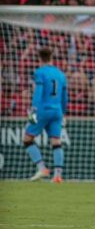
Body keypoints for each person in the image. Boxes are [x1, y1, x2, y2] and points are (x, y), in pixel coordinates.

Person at [22, 47, 68, 183]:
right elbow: (65, 96)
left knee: (27, 139)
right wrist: (63, 113)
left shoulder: (39, 72)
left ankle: (42, 168)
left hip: (42, 110)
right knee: (56, 142)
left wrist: (33, 110)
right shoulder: (61, 74)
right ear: (52, 57)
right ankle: (58, 175)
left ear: (39, 58)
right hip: (57, 111)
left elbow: (38, 92)